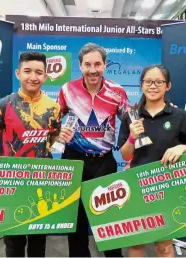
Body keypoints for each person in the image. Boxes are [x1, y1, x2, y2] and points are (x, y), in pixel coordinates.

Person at [0, 52, 73, 257]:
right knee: (13, 244)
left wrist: (62, 138)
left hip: (41, 182)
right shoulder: (2, 105)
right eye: (28, 71)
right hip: (11, 182)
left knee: (38, 242)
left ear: (46, 76)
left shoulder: (54, 108)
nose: (33, 77)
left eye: (39, 72)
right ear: (18, 73)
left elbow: (53, 141)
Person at [57, 43, 130, 257]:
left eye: (97, 64)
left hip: (104, 162)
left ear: (105, 65)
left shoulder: (117, 91)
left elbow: (131, 119)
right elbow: (53, 120)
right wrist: (59, 133)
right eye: (87, 64)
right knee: (76, 222)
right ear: (80, 66)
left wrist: (163, 108)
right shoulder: (67, 90)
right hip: (73, 160)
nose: (93, 69)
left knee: (108, 220)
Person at [118, 64, 186, 257]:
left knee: (164, 247)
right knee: (136, 245)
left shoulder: (180, 116)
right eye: (148, 81)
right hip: (137, 188)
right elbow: (125, 155)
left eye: (158, 82)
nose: (153, 86)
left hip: (167, 189)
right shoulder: (131, 115)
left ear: (168, 85)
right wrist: (132, 137)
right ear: (141, 85)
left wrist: (182, 147)